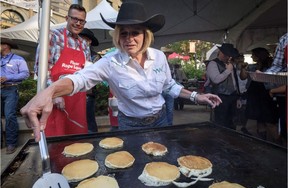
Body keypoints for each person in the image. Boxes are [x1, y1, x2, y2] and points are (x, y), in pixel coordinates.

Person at [21, 1, 222, 142]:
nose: (129, 38)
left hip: (161, 120)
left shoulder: (159, 57)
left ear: (146, 35)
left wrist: (197, 96)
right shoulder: (110, 61)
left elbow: (169, 85)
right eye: (123, 33)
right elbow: (80, 79)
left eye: (135, 33)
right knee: (133, 172)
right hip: (130, 125)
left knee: (161, 164)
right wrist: (48, 92)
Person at [34, 4, 91, 137]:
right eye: (74, 19)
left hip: (77, 100)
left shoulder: (84, 44)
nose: (78, 23)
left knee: (78, 140)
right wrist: (55, 93)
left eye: (81, 21)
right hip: (54, 99)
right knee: (56, 139)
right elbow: (41, 68)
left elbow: (87, 72)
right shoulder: (52, 36)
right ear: (67, 18)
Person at [240, 47, 279, 142]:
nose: (252, 56)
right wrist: (243, 68)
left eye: (253, 55)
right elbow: (243, 77)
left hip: (266, 94)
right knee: (259, 119)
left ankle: (279, 142)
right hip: (254, 95)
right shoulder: (252, 66)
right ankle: (263, 140)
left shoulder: (271, 66)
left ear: (258, 56)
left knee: (269, 120)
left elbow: (274, 81)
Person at [1, 38, 29, 154]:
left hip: (11, 89)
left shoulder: (18, 59)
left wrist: (8, 78)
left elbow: (25, 74)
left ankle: (11, 143)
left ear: (5, 46)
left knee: (9, 116)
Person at [206, 43, 240, 129]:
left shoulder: (231, 64)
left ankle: (231, 139)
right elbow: (216, 80)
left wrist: (238, 96)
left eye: (229, 55)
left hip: (233, 96)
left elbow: (235, 81)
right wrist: (228, 70)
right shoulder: (213, 64)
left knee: (232, 122)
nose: (228, 57)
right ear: (221, 53)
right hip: (220, 96)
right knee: (220, 122)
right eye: (226, 55)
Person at [79, 28, 100, 133]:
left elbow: (95, 76)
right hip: (72, 94)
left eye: (82, 39)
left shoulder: (95, 56)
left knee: (89, 123)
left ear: (89, 41)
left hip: (87, 94)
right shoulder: (75, 52)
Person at [160, 47, 174, 125]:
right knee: (160, 109)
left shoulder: (171, 65)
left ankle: (169, 126)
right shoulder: (155, 64)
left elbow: (173, 78)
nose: (166, 55)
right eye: (165, 53)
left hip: (169, 90)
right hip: (160, 90)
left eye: (167, 54)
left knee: (170, 109)